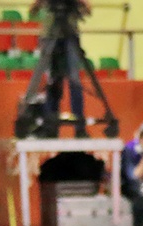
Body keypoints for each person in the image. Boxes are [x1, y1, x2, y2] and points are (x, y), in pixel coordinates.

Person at [29, 0, 90, 138]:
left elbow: (88, 10)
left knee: (74, 80)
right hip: (50, 35)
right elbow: (33, 10)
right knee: (52, 81)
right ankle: (50, 126)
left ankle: (79, 126)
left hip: (70, 35)